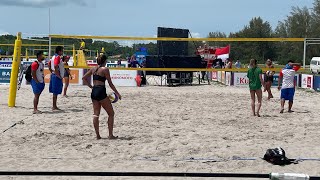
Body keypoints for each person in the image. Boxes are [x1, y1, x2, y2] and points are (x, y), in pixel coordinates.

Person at [82, 54, 121, 140]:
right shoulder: (105, 69)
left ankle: (98, 136)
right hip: (101, 91)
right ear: (105, 61)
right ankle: (110, 135)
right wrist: (117, 93)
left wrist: (91, 86)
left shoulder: (93, 69)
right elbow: (110, 83)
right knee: (111, 113)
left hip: (94, 91)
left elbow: (84, 78)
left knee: (96, 114)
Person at [49, 46, 64, 111]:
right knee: (55, 92)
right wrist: (58, 74)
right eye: (62, 51)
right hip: (56, 76)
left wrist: (52, 71)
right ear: (59, 51)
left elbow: (49, 64)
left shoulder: (53, 57)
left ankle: (54, 106)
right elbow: (55, 65)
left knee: (55, 92)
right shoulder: (57, 57)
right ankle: (54, 106)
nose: (62, 52)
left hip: (54, 74)